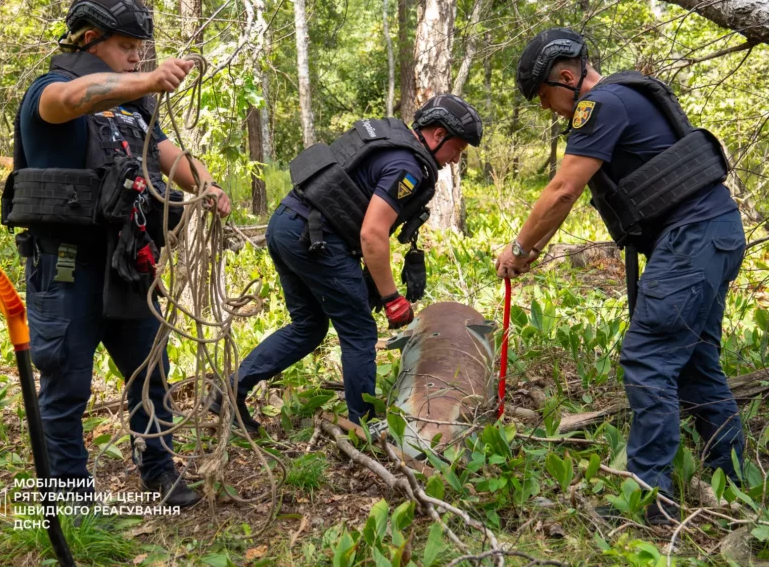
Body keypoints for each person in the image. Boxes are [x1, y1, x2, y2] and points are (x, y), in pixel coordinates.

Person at [498, 28, 745, 524]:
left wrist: (521, 248)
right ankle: (734, 479)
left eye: (546, 97)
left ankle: (648, 502)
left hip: (692, 239)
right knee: (695, 361)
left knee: (648, 355)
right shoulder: (626, 98)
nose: (550, 109)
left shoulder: (601, 106)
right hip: (715, 234)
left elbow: (563, 189)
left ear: (566, 77)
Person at [3, 0, 232, 508]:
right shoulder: (52, 89)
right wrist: (144, 78)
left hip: (131, 264)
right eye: (126, 44)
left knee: (150, 374)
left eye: (140, 47)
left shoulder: (133, 107)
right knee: (66, 387)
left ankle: (159, 471)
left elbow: (172, 156)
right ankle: (71, 499)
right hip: (67, 267)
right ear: (90, 39)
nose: (136, 55)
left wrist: (208, 186)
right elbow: (62, 102)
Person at [210, 95, 483, 428]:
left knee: (308, 327)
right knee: (359, 332)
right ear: (438, 134)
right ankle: (364, 425)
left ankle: (230, 389)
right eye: (458, 148)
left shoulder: (391, 140)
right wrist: (391, 297)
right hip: (314, 239)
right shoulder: (408, 166)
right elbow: (372, 234)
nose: (455, 159)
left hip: (286, 225)